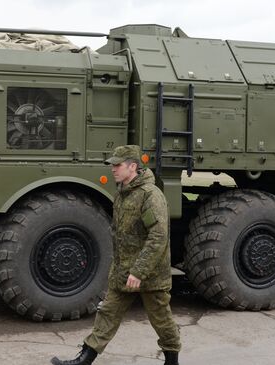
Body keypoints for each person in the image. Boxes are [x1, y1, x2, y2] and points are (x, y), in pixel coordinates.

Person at [51, 145, 181, 365]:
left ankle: (172, 360)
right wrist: (122, 269)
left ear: (133, 166)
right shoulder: (123, 193)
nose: (113, 168)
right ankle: (85, 358)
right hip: (123, 272)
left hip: (149, 276)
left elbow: (158, 237)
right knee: (107, 313)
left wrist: (139, 272)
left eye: (117, 164)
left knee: (161, 319)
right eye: (112, 164)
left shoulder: (150, 196)